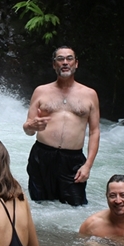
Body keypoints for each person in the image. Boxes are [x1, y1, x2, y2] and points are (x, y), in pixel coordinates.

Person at [22, 46, 100, 205]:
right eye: (60, 59)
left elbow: (94, 132)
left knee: (76, 208)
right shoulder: (40, 91)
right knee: (40, 207)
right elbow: (28, 129)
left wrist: (88, 166)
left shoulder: (90, 94)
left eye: (69, 58)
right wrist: (32, 126)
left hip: (73, 160)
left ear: (76, 63)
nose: (65, 62)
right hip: (42, 156)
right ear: (54, 64)